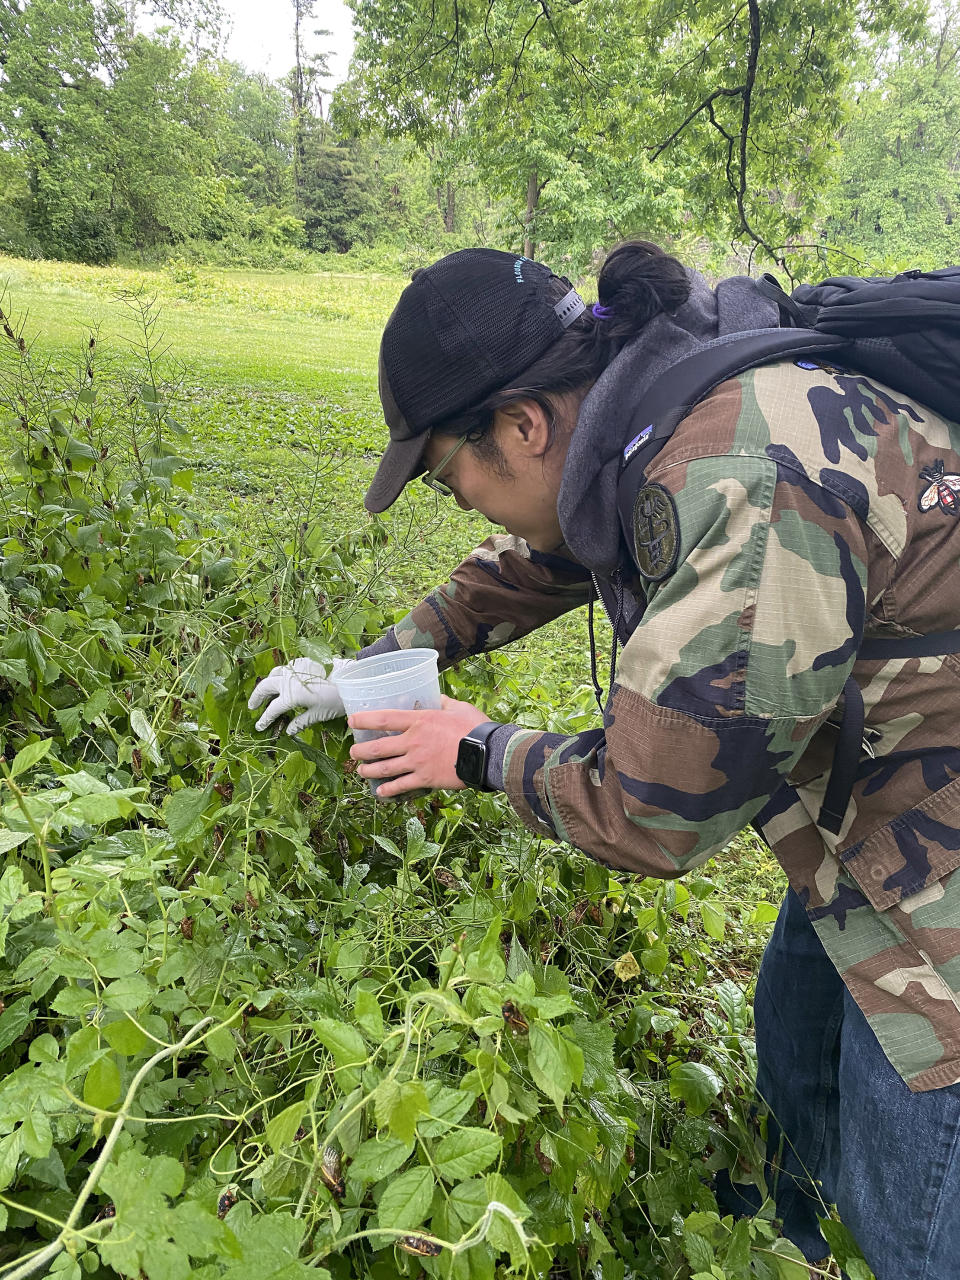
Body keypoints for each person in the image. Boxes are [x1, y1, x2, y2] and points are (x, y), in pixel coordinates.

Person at [248, 242, 960, 1279]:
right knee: (797, 1043)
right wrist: (387, 658)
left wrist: (480, 750)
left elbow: (656, 806)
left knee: (919, 1203)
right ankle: (791, 1244)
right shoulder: (649, 396)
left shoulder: (740, 480)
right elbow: (556, 545)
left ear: (523, 424)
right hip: (873, 803)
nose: (471, 508)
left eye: (455, 484)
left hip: (935, 863)